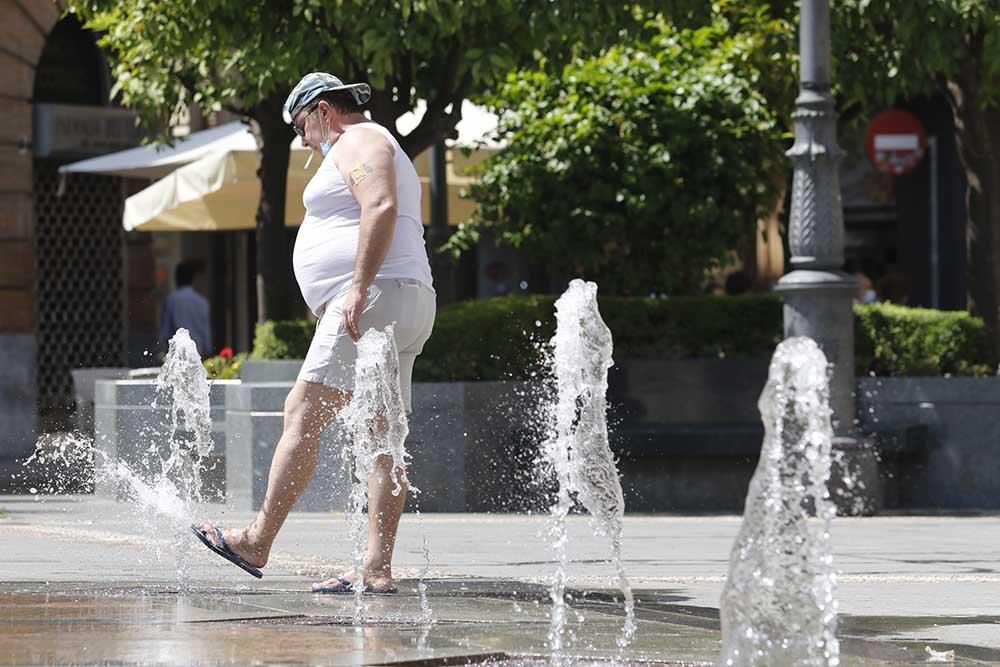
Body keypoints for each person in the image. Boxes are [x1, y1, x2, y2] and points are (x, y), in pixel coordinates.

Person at [192, 73, 436, 594]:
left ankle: (257, 539)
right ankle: (376, 567)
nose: (303, 140)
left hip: (374, 297)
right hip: (403, 296)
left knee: (302, 412)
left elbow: (380, 206)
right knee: (381, 435)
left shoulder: (358, 139)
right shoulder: (373, 142)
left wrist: (356, 287)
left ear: (324, 110)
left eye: (303, 124)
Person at [159, 259, 212, 356]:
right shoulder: (202, 302)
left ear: (177, 278)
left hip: (177, 352)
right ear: (193, 279)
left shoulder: (171, 300)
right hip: (196, 352)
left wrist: (162, 350)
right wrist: (208, 350)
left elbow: (165, 331)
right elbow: (205, 332)